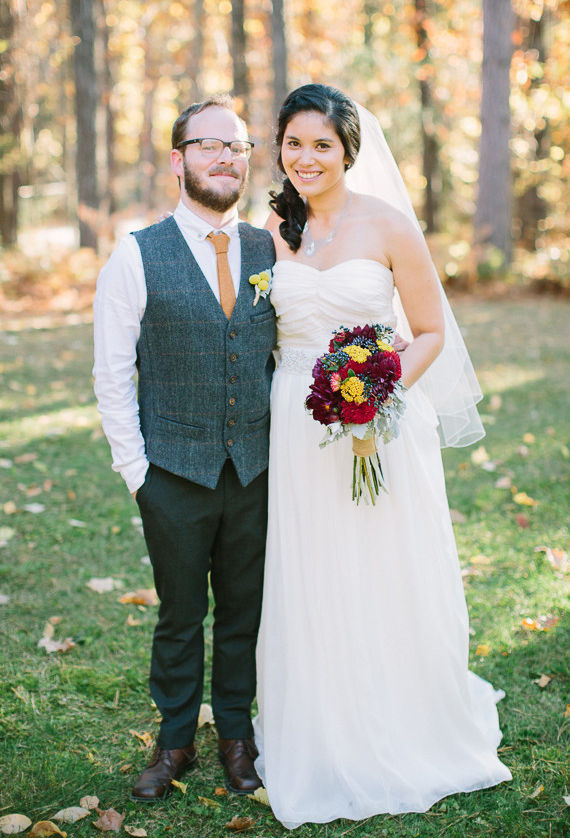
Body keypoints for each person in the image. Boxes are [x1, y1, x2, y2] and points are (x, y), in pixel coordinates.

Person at [253, 83, 512, 829]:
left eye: (322, 145)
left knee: (382, 566)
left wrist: (376, 389)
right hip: (297, 424)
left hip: (379, 424)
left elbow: (429, 330)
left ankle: (403, 715)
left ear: (348, 150)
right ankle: (322, 720)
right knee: (313, 569)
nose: (306, 158)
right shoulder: (274, 228)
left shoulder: (390, 224)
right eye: (294, 143)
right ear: (280, 148)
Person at [92, 95, 276, 801]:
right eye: (209, 145)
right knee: (178, 613)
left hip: (257, 470)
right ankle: (174, 740)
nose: (226, 157)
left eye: (237, 146)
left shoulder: (269, 248)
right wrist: (139, 473)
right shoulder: (136, 255)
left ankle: (236, 734)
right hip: (172, 470)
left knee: (243, 610)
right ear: (179, 159)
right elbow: (112, 374)